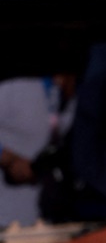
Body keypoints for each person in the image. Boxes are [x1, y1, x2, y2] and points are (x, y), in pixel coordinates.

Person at [0, 74, 75, 228]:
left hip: (45, 219)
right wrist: (8, 158)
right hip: (5, 217)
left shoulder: (71, 96)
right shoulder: (13, 87)